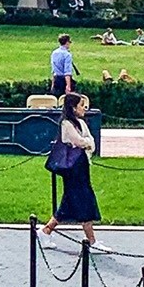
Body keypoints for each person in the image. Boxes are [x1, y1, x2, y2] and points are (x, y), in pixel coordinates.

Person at [42, 92, 103, 251]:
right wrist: (86, 143)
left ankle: (46, 230)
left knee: (69, 202)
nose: (84, 108)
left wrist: (87, 143)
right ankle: (92, 240)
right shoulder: (66, 124)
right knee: (83, 199)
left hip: (82, 165)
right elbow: (79, 141)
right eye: (81, 105)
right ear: (73, 107)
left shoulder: (81, 123)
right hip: (73, 168)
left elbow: (90, 141)